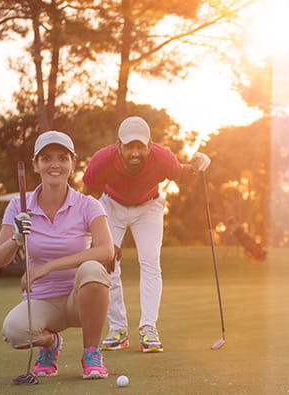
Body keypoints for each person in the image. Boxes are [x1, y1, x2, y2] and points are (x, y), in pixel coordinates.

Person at [81, 116, 211, 353]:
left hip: (148, 207)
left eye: (140, 146)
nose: (134, 152)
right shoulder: (102, 160)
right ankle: (118, 329)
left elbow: (185, 173)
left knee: (150, 261)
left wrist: (200, 163)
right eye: (129, 146)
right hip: (111, 206)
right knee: (107, 263)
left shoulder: (162, 157)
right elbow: (88, 196)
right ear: (118, 145)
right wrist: (99, 237)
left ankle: (148, 328)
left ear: (150, 145)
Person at [0, 131, 115, 379]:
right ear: (36, 165)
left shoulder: (88, 204)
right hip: (43, 301)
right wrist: (16, 238)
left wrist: (49, 267)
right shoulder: (18, 205)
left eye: (62, 157)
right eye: (46, 158)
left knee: (92, 268)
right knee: (14, 332)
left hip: (79, 299)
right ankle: (50, 344)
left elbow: (106, 250)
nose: (55, 164)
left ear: (72, 164)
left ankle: (91, 353)